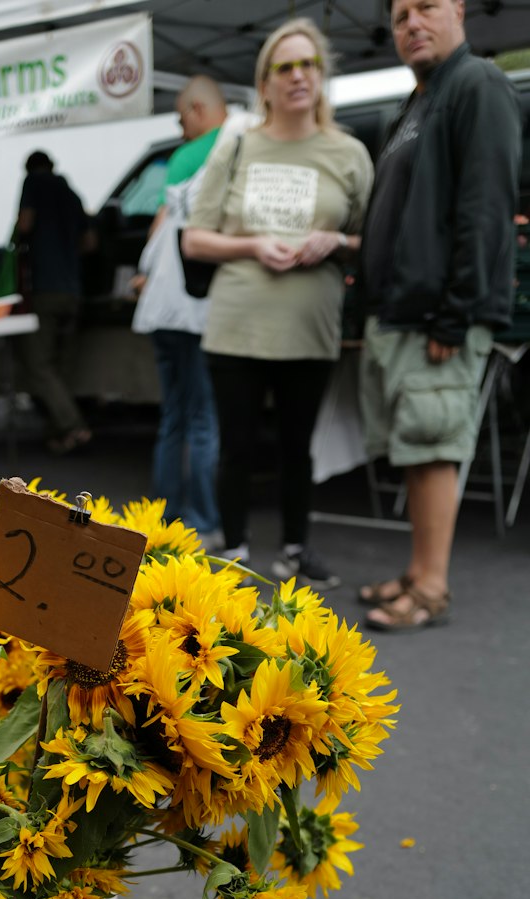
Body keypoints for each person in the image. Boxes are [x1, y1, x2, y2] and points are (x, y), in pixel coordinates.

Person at [182, 19, 373, 587]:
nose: (298, 76)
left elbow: (375, 241)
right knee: (234, 448)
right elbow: (195, 237)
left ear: (322, 76)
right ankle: (233, 555)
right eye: (284, 67)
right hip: (237, 326)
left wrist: (337, 241)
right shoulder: (237, 144)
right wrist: (253, 245)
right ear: (264, 83)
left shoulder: (350, 153)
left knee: (298, 448)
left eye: (308, 64)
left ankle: (295, 549)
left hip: (309, 329)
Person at [357, 0, 521, 631]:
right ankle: (419, 569)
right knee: (416, 447)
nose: (412, 24)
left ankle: (431, 587)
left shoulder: (475, 83)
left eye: (426, 7)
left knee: (431, 449)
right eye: (400, 16)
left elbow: (485, 208)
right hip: (405, 312)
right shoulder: (421, 99)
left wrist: (455, 315)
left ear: (458, 9)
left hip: (437, 317)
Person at [132, 76, 229, 544]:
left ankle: (163, 522)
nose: (180, 126)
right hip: (199, 308)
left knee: (174, 415)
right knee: (204, 418)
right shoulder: (233, 146)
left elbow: (158, 231)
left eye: (180, 116)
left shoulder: (185, 157)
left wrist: (146, 274)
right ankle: (205, 521)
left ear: (197, 108)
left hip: (161, 308)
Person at [17, 151, 95, 455]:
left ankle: (73, 425)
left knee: (38, 364)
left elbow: (25, 224)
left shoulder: (33, 183)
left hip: (46, 287)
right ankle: (60, 434)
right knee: (60, 368)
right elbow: (90, 243)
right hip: (73, 289)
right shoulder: (71, 193)